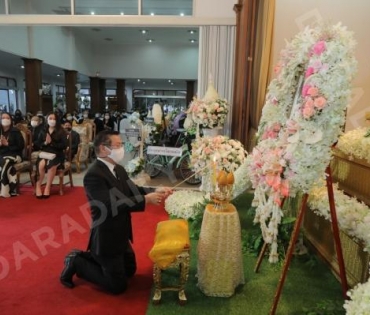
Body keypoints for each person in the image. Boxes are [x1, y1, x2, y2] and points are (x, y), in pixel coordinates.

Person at [60, 130, 172, 294]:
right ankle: (77, 261)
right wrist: (146, 200)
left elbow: (133, 189)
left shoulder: (118, 169)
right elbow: (109, 204)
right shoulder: (93, 175)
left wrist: (155, 189)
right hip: (106, 235)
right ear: (103, 149)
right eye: (118, 145)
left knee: (129, 271)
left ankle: (93, 259)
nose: (122, 149)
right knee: (117, 286)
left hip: (120, 232)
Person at [34, 112, 68, 199]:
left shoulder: (61, 131)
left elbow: (64, 145)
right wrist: (45, 142)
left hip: (57, 154)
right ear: (47, 120)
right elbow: (37, 144)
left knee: (52, 166)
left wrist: (52, 143)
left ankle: (47, 187)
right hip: (45, 153)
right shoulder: (43, 130)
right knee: (41, 165)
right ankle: (38, 185)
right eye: (50, 118)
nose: (52, 121)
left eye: (54, 119)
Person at [0, 112, 25, 197]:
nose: (5, 120)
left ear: (11, 120)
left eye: (7, 118)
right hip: (2, 154)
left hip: (15, 155)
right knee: (4, 161)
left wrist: (8, 144)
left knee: (5, 161)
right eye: (3, 118)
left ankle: (5, 190)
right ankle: (11, 189)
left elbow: (21, 146)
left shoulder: (15, 131)